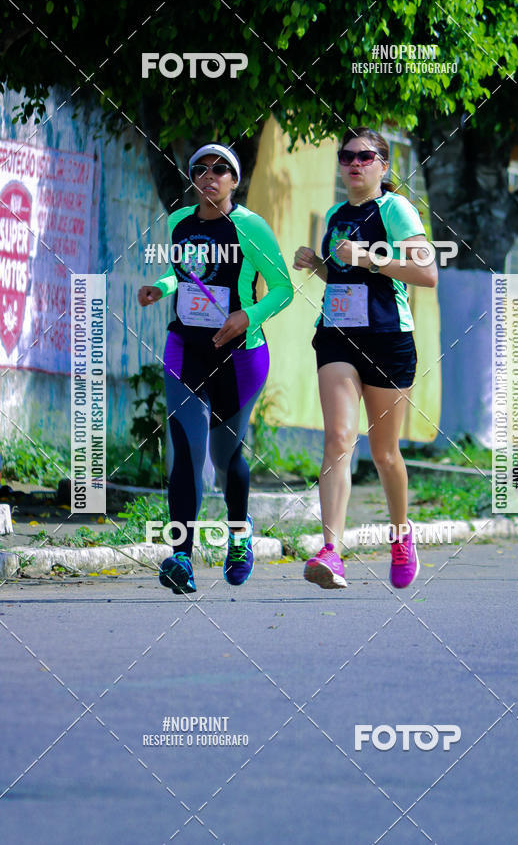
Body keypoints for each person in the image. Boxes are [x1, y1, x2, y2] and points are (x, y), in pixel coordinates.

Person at [138, 143, 293, 594]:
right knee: (184, 449)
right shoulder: (179, 222)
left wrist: (249, 316)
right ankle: (181, 556)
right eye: (200, 169)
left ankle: (239, 537)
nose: (209, 176)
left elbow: (282, 289)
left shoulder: (250, 228)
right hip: (185, 347)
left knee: (225, 457)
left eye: (220, 169)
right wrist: (161, 287)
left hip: (240, 354)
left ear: (234, 180)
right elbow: (185, 273)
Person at [294, 127, 437, 590]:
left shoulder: (396, 209)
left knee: (385, 453)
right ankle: (331, 552)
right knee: (338, 437)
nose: (354, 163)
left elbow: (426, 272)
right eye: (346, 156)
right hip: (337, 336)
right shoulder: (336, 213)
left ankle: (401, 535)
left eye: (365, 156)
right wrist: (317, 264)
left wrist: (369, 259)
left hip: (388, 338)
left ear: (384, 166)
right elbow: (343, 275)